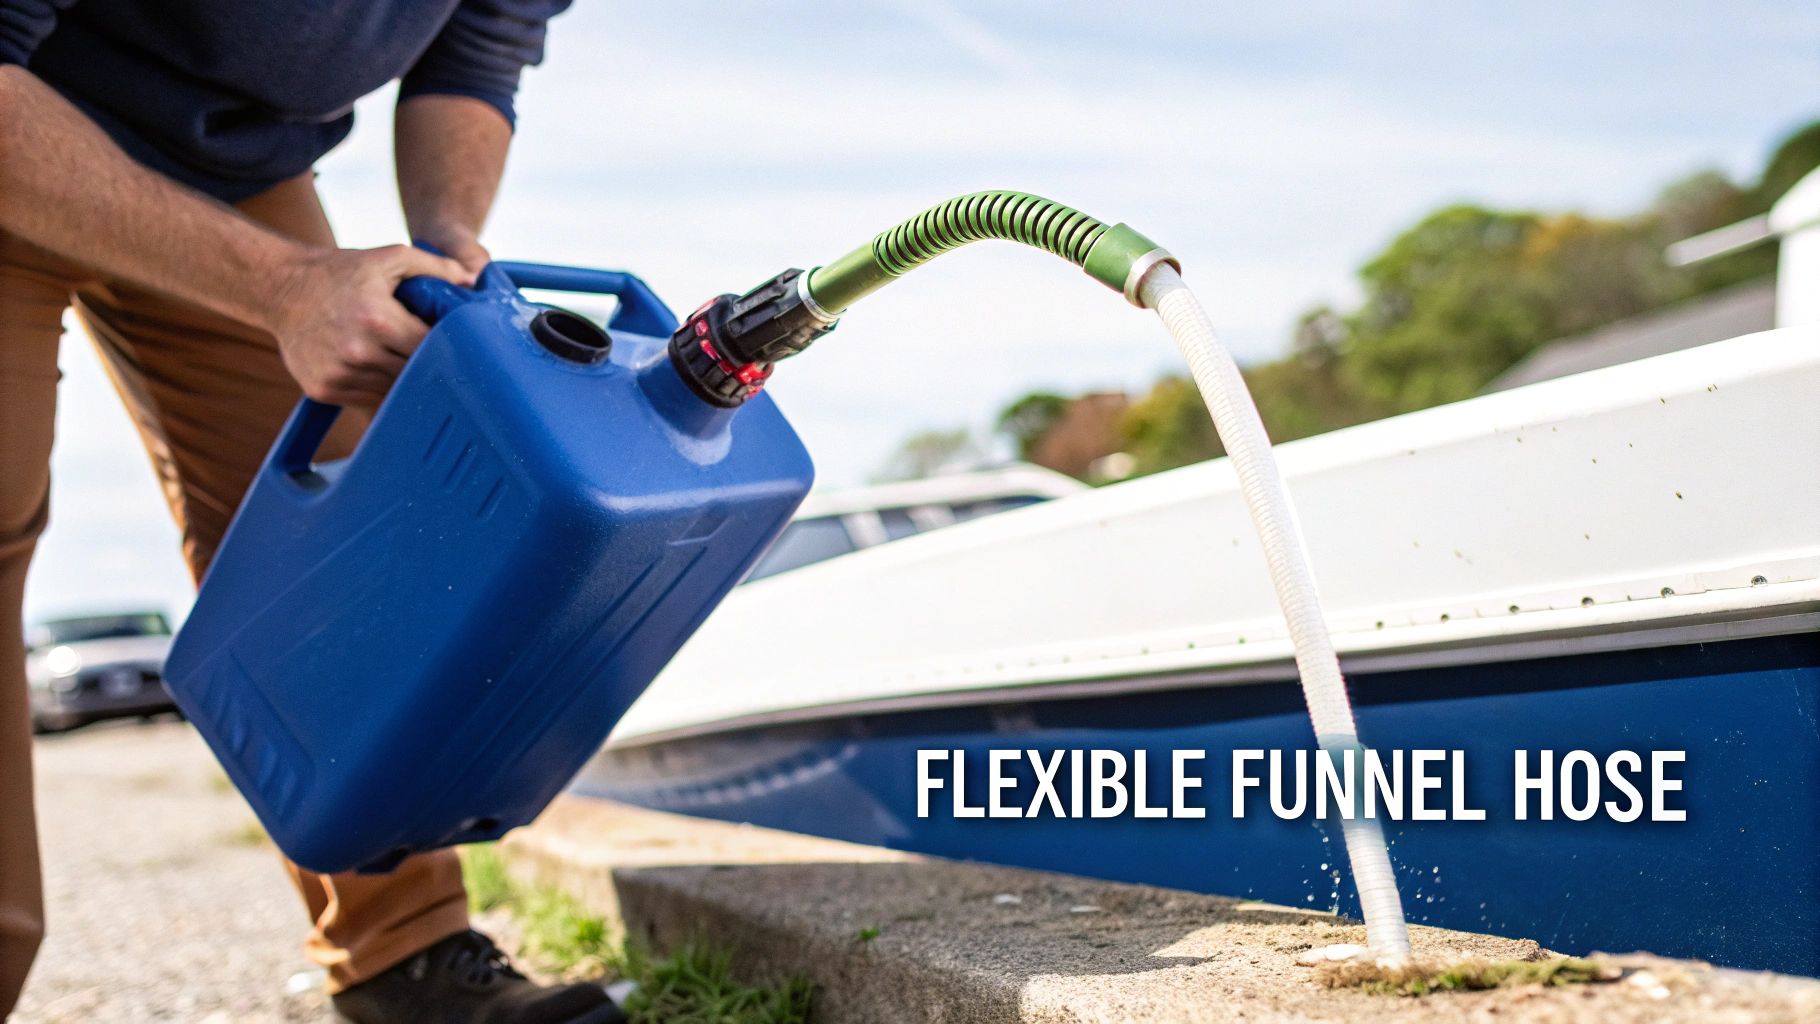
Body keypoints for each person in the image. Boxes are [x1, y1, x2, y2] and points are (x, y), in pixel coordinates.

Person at [0, 3, 624, 1021]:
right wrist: (289, 285)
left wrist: (451, 247)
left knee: (341, 520)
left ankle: (404, 956)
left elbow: (477, 55)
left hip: (235, 167)